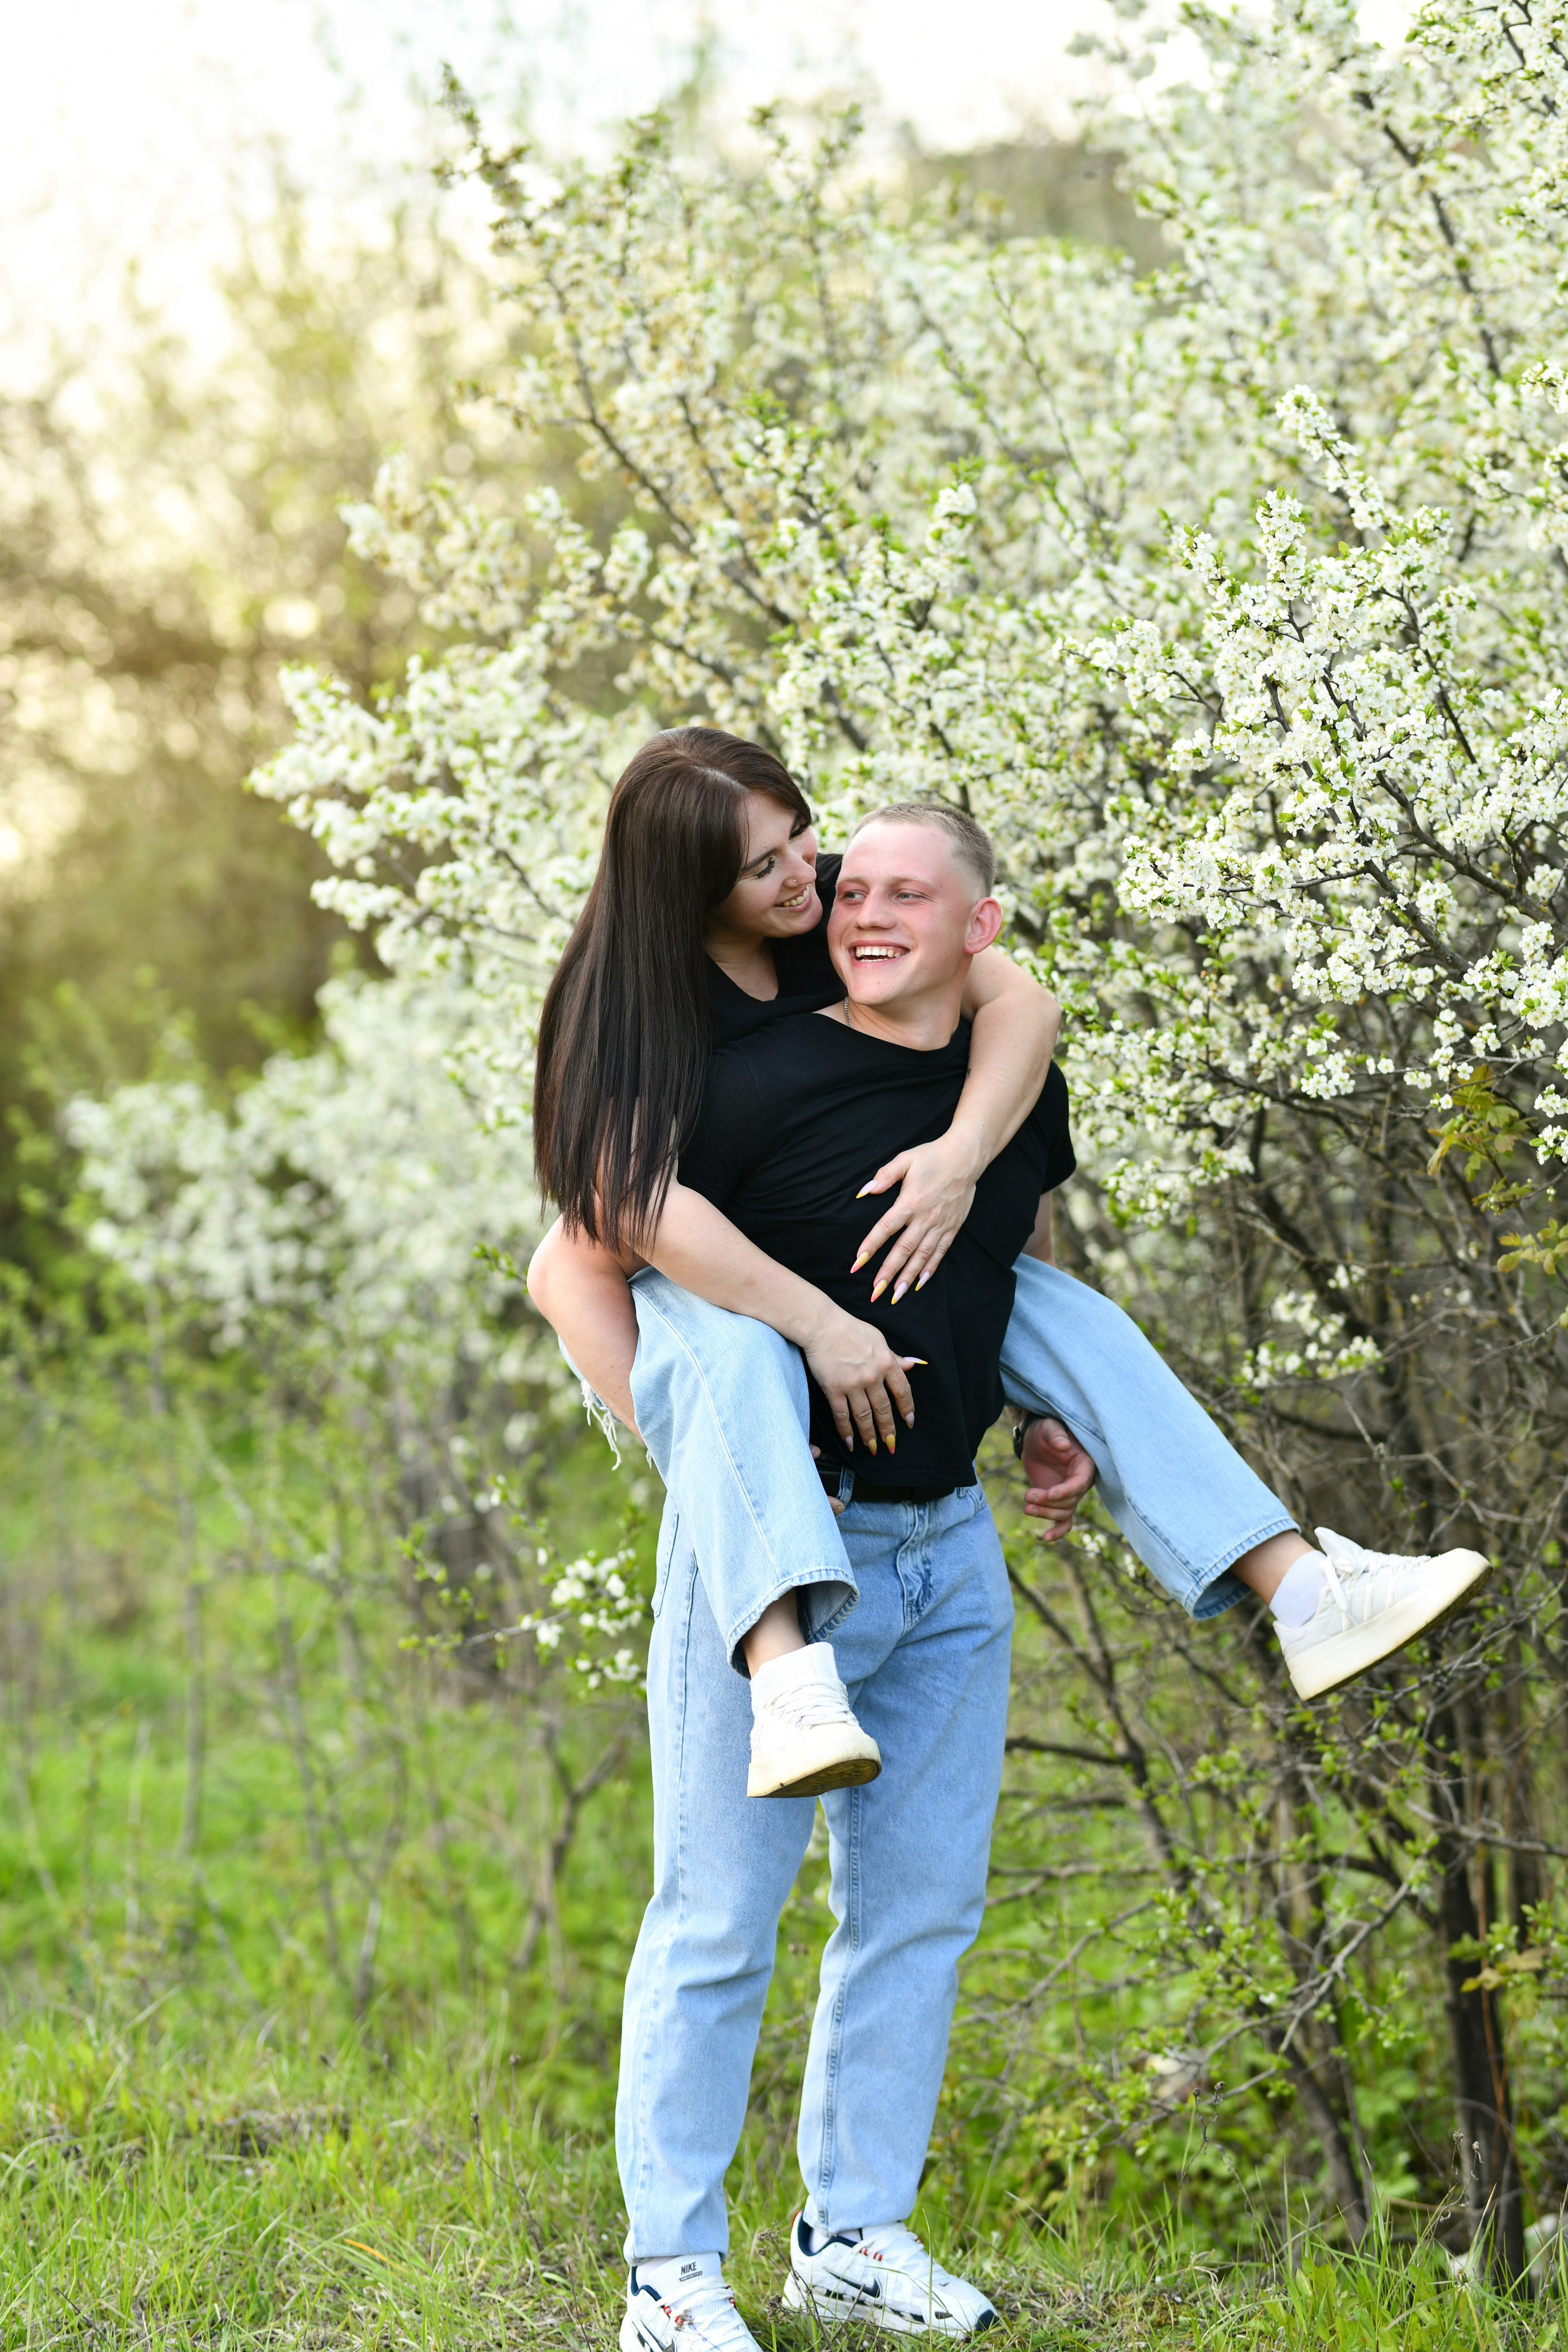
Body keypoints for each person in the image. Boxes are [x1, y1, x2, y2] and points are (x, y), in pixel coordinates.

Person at [536, 798, 1491, 2352]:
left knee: (916, 1913)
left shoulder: (977, 1036)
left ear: (970, 922)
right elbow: (582, 1244)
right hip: (785, 1539)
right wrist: (722, 1442)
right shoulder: (715, 1063)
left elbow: (1014, 1135)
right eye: (803, 873)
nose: (834, 892)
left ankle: (851, 2236)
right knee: (716, 1919)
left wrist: (1014, 1350)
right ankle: (668, 2277)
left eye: (846, 869)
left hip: (945, 1549)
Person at [529, 732, 1491, 1804]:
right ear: (691, 887)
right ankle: (783, 1667)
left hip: (875, 1258)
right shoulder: (633, 1004)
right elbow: (586, 1243)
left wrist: (959, 1160)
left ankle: (1304, 1589)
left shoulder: (837, 904)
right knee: (745, 1350)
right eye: (765, 867)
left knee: (1072, 1319)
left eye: (800, 833)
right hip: (715, 1296)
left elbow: (1022, 1005)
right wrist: (733, 1449)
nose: (809, 872)